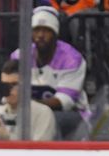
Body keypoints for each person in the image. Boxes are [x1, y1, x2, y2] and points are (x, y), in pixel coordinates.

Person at [10, 5, 89, 138]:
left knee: (50, 121)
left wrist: (32, 108)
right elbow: (10, 89)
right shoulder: (19, 56)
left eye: (46, 30)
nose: (40, 35)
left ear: (55, 33)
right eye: (37, 30)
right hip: (29, 112)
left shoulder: (72, 59)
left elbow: (65, 101)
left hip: (72, 114)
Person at [0, 59, 57, 141]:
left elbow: (40, 151)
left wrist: (8, 138)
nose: (8, 90)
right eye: (5, 85)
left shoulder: (43, 114)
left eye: (14, 84)